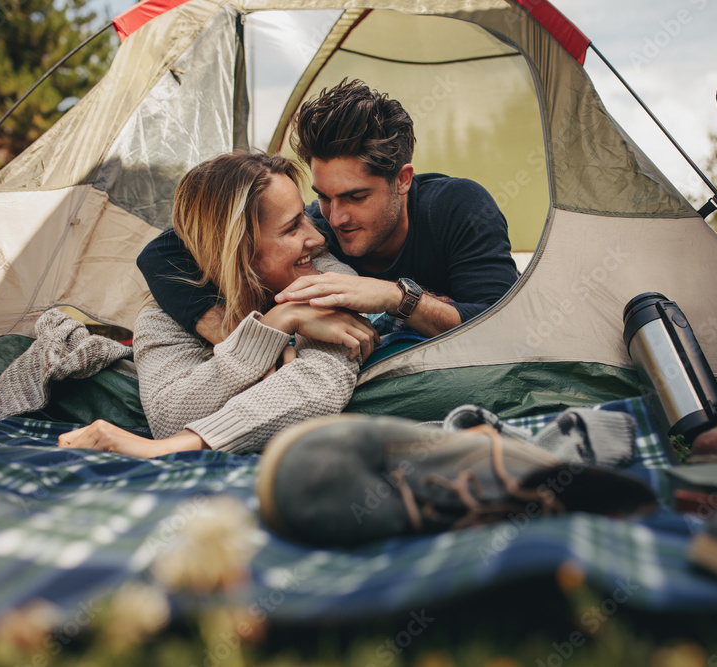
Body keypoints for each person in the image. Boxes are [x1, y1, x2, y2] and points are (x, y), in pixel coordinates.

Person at [137, 79, 519, 344]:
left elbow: (503, 323)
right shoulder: (315, 228)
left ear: (402, 180)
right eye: (324, 196)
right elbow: (161, 252)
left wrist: (392, 296)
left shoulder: (457, 207)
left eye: (355, 197)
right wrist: (233, 333)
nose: (334, 220)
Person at [58, 152, 379, 457]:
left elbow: (323, 381)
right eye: (293, 227)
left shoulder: (325, 273)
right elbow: (168, 417)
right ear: (241, 249)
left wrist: (171, 448)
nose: (319, 238)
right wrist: (276, 324)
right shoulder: (165, 310)